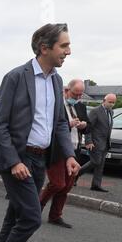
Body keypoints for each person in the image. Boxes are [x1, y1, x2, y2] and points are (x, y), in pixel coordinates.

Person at [0, 23, 79, 242]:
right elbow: (0, 123)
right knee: (30, 218)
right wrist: (14, 161)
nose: (68, 51)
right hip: (19, 158)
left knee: (13, 218)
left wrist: (70, 156)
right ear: (44, 48)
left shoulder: (57, 80)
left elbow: (60, 123)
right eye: (63, 46)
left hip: (41, 159)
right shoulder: (16, 77)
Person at [39, 79, 89, 229]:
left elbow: (87, 128)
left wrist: (84, 125)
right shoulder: (55, 105)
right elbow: (50, 128)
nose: (78, 98)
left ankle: (55, 216)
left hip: (74, 151)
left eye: (81, 95)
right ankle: (35, 210)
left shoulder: (80, 106)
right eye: (76, 94)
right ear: (67, 90)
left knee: (66, 186)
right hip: (57, 151)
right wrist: (69, 124)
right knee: (57, 183)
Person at [76, 94, 116, 192]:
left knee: (100, 165)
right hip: (95, 142)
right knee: (95, 162)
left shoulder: (111, 112)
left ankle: (96, 185)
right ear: (104, 100)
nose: (111, 104)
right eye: (110, 102)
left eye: (113, 102)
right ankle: (75, 175)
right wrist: (88, 141)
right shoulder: (95, 111)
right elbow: (89, 127)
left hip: (105, 143)